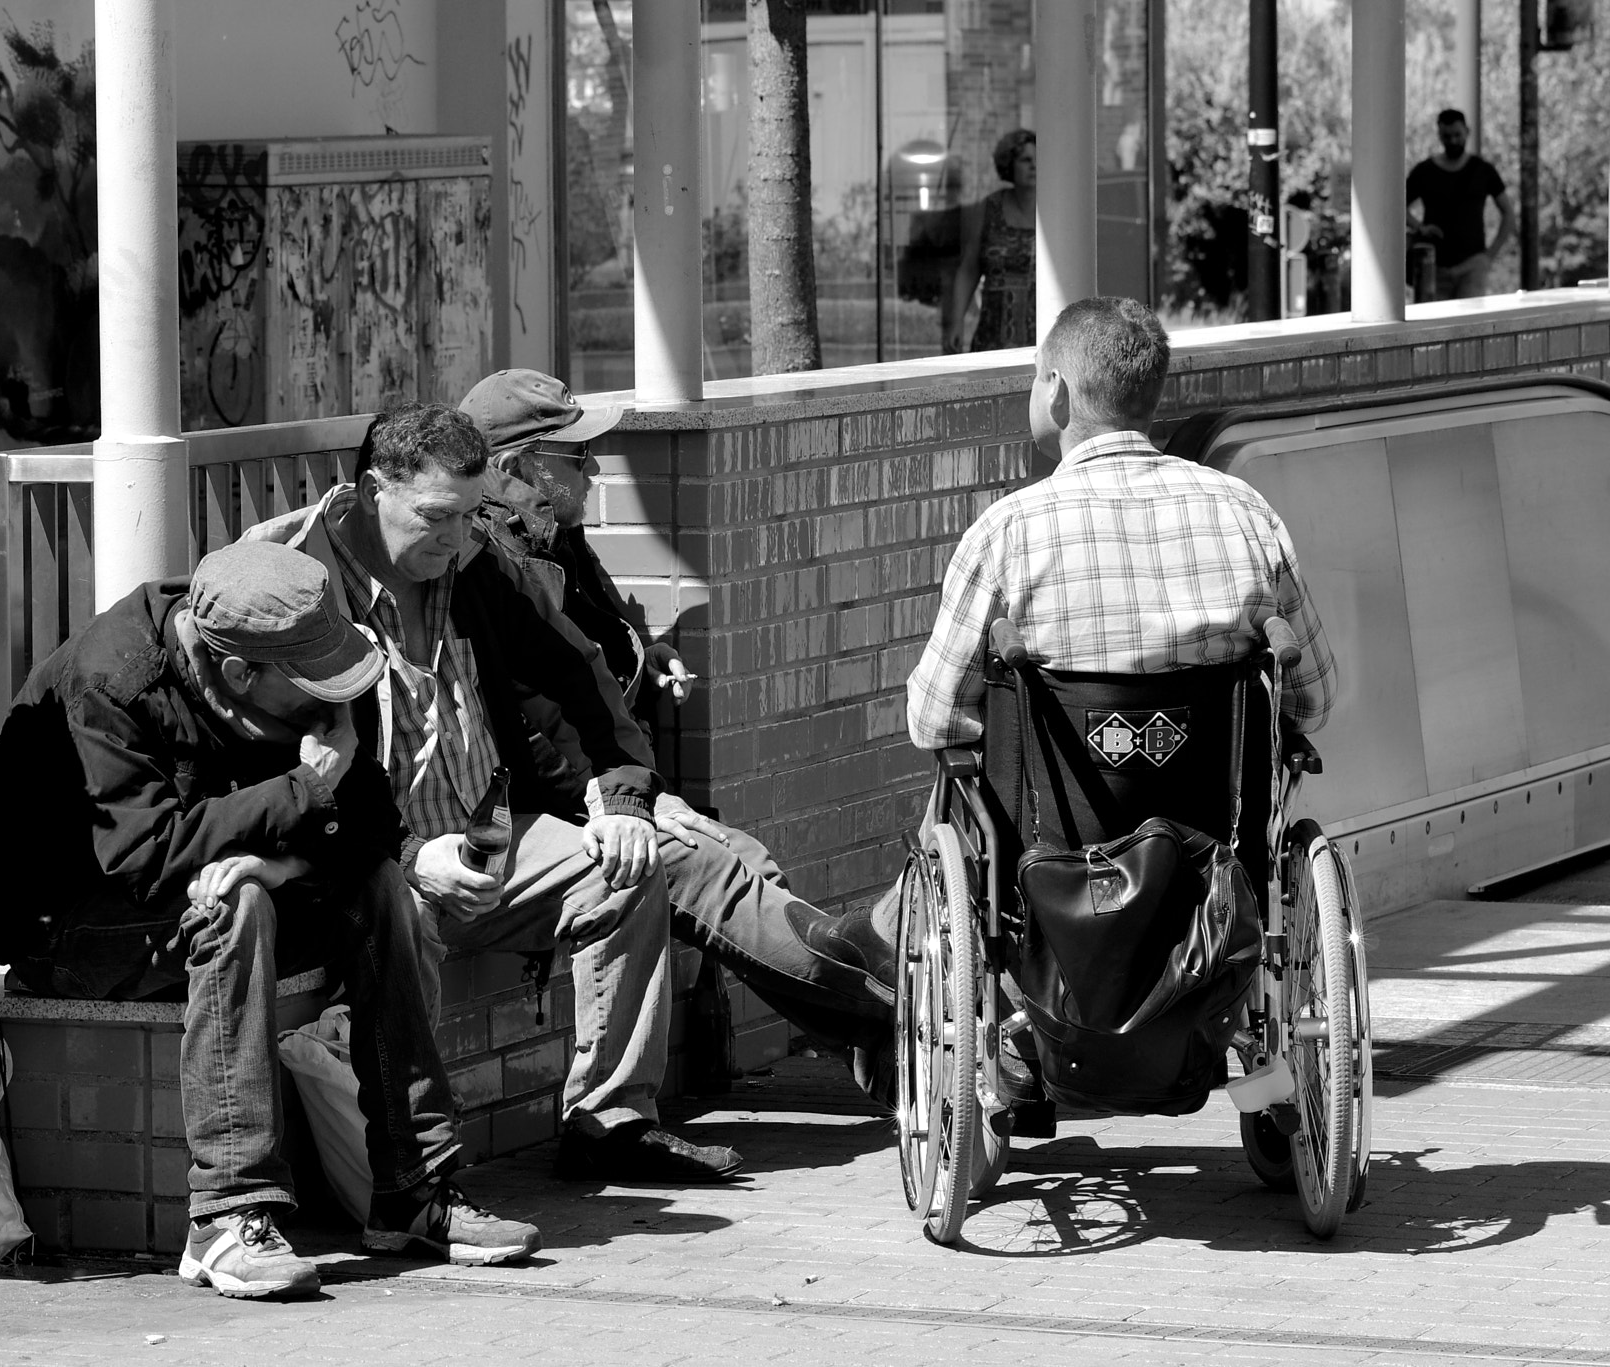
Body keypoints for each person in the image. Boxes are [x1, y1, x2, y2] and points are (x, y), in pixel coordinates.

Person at [0, 540, 540, 1300]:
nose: (333, 706)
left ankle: (414, 1186)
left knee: (383, 885)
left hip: (211, 882)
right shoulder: (115, 683)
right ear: (237, 675)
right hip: (63, 922)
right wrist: (300, 791)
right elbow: (147, 859)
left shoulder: (305, 649)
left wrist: (287, 860)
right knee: (230, 902)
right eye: (310, 694)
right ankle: (227, 1216)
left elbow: (368, 826)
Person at [244, 402, 745, 1184]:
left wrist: (621, 796)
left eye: (472, 515)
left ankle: (610, 1120)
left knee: (626, 867)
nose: (455, 538)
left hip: (487, 845)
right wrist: (410, 856)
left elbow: (582, 673)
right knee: (398, 913)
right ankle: (416, 1168)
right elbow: (277, 769)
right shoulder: (298, 583)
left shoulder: (475, 561)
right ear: (377, 489)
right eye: (438, 517)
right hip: (367, 863)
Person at [903, 295, 1337, 1107]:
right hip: (1215, 863)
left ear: (1059, 394)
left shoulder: (1007, 531)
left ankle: (1016, 1045)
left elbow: (932, 717)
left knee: (961, 782)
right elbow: (1312, 694)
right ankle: (1264, 1078)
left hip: (1055, 866)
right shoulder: (1244, 514)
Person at [455, 369, 900, 1056]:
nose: (595, 466)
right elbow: (528, 726)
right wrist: (626, 799)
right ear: (516, 470)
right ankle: (888, 1008)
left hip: (608, 781)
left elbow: (595, 634)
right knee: (706, 860)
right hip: (558, 801)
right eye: (576, 455)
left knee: (745, 854)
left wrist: (644, 649)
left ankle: (872, 1035)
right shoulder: (489, 562)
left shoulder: (549, 528)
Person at [944, 129, 1037, 354]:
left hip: (1043, 342)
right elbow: (969, 269)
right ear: (1009, 165)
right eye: (1026, 160)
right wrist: (956, 322)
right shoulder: (988, 210)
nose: (1034, 166)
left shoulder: (1056, 212)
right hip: (992, 340)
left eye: (1038, 159)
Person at [1407, 109, 1514, 300]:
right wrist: (1420, 228)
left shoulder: (1482, 170)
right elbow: (1397, 207)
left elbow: (1507, 211)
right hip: (1434, 267)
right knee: (1434, 324)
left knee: (1470, 324)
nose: (1453, 141)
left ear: (1467, 132)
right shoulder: (1424, 171)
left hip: (1473, 264)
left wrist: (1490, 255)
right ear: (1439, 135)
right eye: (1447, 136)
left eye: (1458, 135)